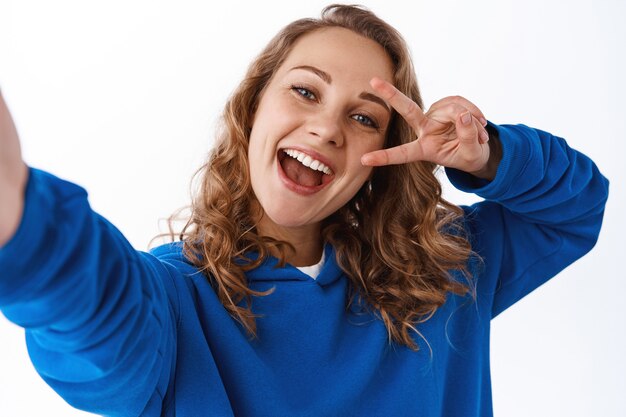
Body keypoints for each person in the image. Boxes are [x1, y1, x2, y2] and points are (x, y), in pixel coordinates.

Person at [0, 4, 609, 417]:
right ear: (252, 111)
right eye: (306, 91)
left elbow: (576, 209)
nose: (326, 128)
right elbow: (91, 317)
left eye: (364, 117)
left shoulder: (446, 270)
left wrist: (486, 155)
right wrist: (22, 222)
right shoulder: (175, 300)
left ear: (387, 153)